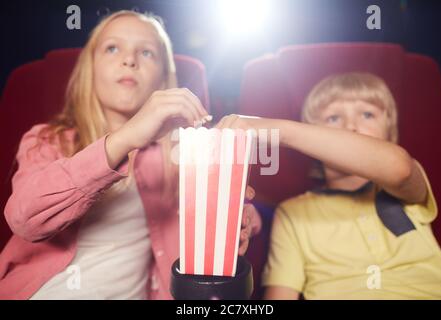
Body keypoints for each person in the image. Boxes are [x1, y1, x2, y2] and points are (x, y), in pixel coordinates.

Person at [0, 10, 260, 300]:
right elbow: (24, 219)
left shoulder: (182, 149)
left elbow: (236, 205)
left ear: (163, 79)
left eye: (146, 53)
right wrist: (124, 139)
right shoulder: (48, 139)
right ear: (91, 69)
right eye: (112, 48)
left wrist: (240, 214)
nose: (130, 60)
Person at [218, 72, 441, 299]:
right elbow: (281, 294)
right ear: (312, 139)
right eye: (333, 118)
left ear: (390, 132)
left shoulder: (405, 186)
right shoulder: (293, 212)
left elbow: (399, 168)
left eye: (368, 114)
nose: (351, 126)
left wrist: (279, 131)